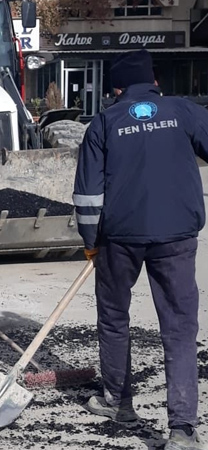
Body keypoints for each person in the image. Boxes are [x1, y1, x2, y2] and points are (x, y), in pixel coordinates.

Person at [73, 49, 208, 450]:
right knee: (180, 328)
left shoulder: (104, 122)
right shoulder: (183, 111)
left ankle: (118, 401)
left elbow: (87, 194)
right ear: (154, 82)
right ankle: (182, 429)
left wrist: (90, 243)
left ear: (116, 88)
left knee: (115, 317)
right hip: (177, 235)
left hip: (120, 237)